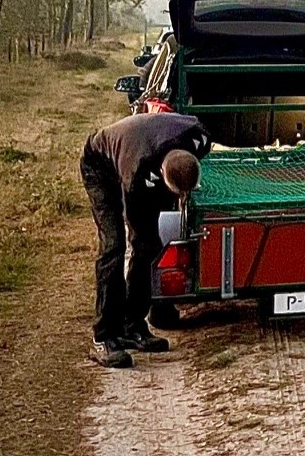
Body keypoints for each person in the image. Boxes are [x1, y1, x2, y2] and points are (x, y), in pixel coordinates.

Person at [81, 111, 214, 368]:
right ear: (161, 173)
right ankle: (104, 337)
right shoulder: (138, 166)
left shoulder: (201, 137)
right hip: (99, 164)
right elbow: (135, 209)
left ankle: (133, 324)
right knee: (115, 247)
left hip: (149, 150)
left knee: (149, 244)